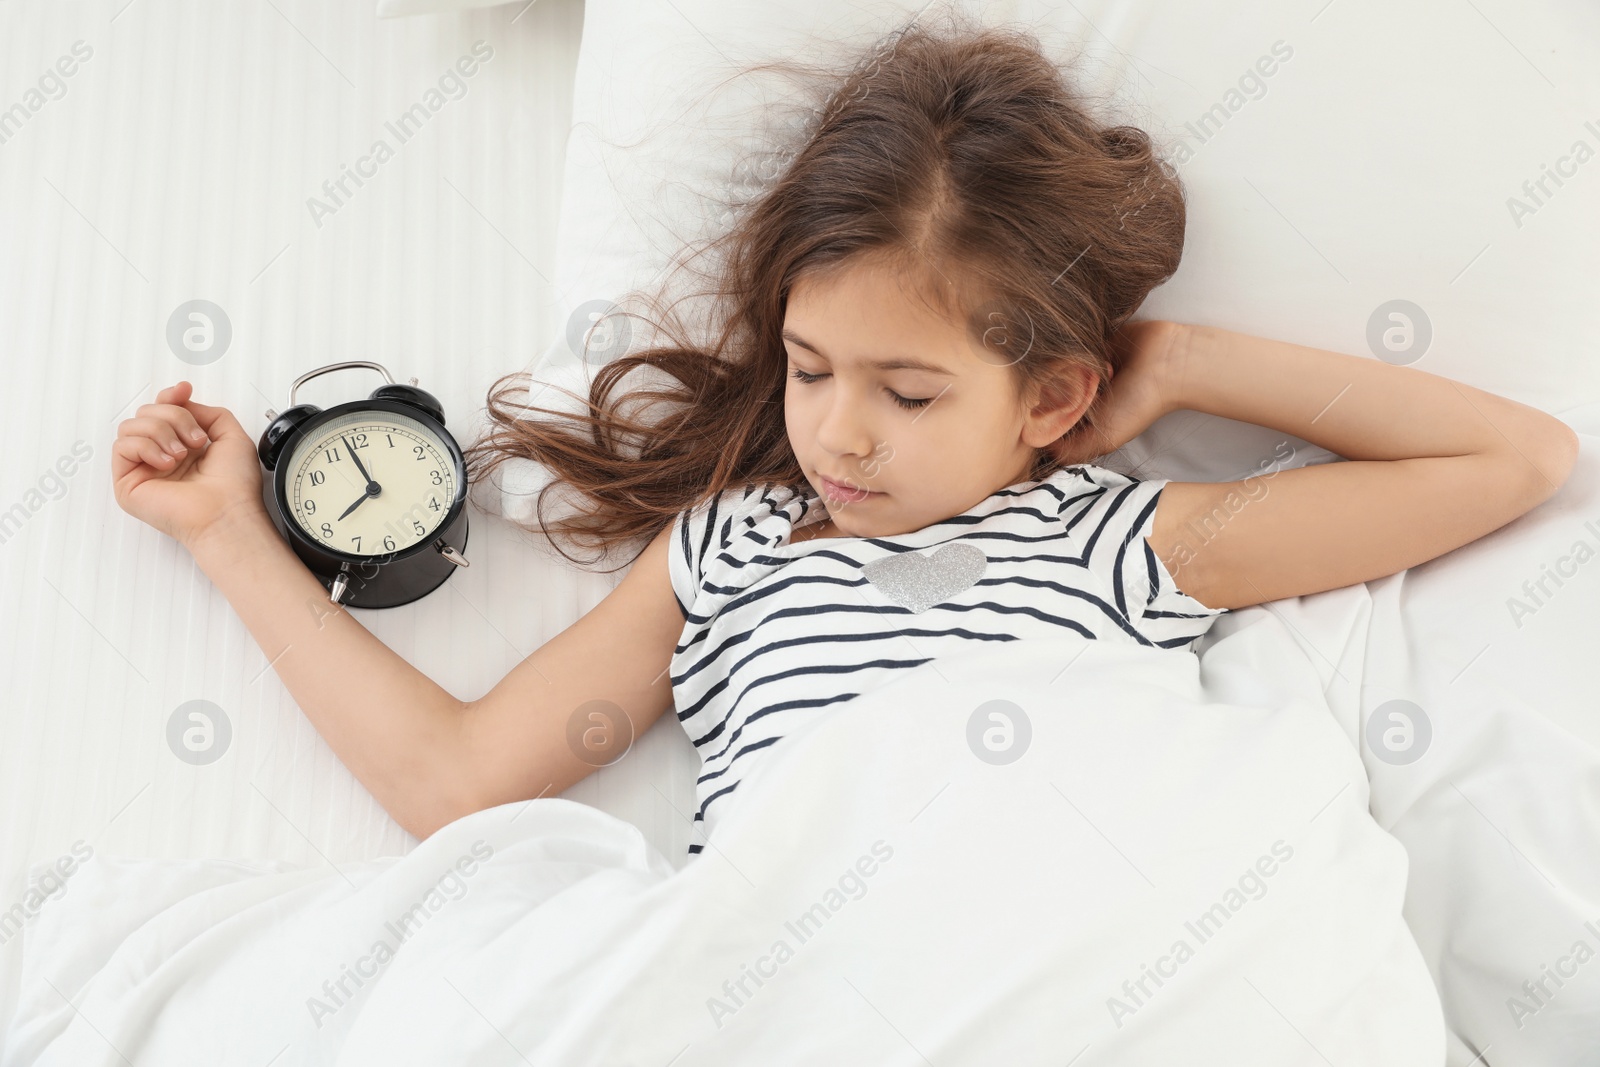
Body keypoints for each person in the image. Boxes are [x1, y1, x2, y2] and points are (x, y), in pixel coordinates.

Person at [111, 17, 1578, 858]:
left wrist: (1185, 362)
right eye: (809, 369)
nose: (839, 435)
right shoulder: (730, 552)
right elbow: (452, 785)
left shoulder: (1120, 544)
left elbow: (1517, 465)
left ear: (1052, 401)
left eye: (912, 392)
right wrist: (232, 532)